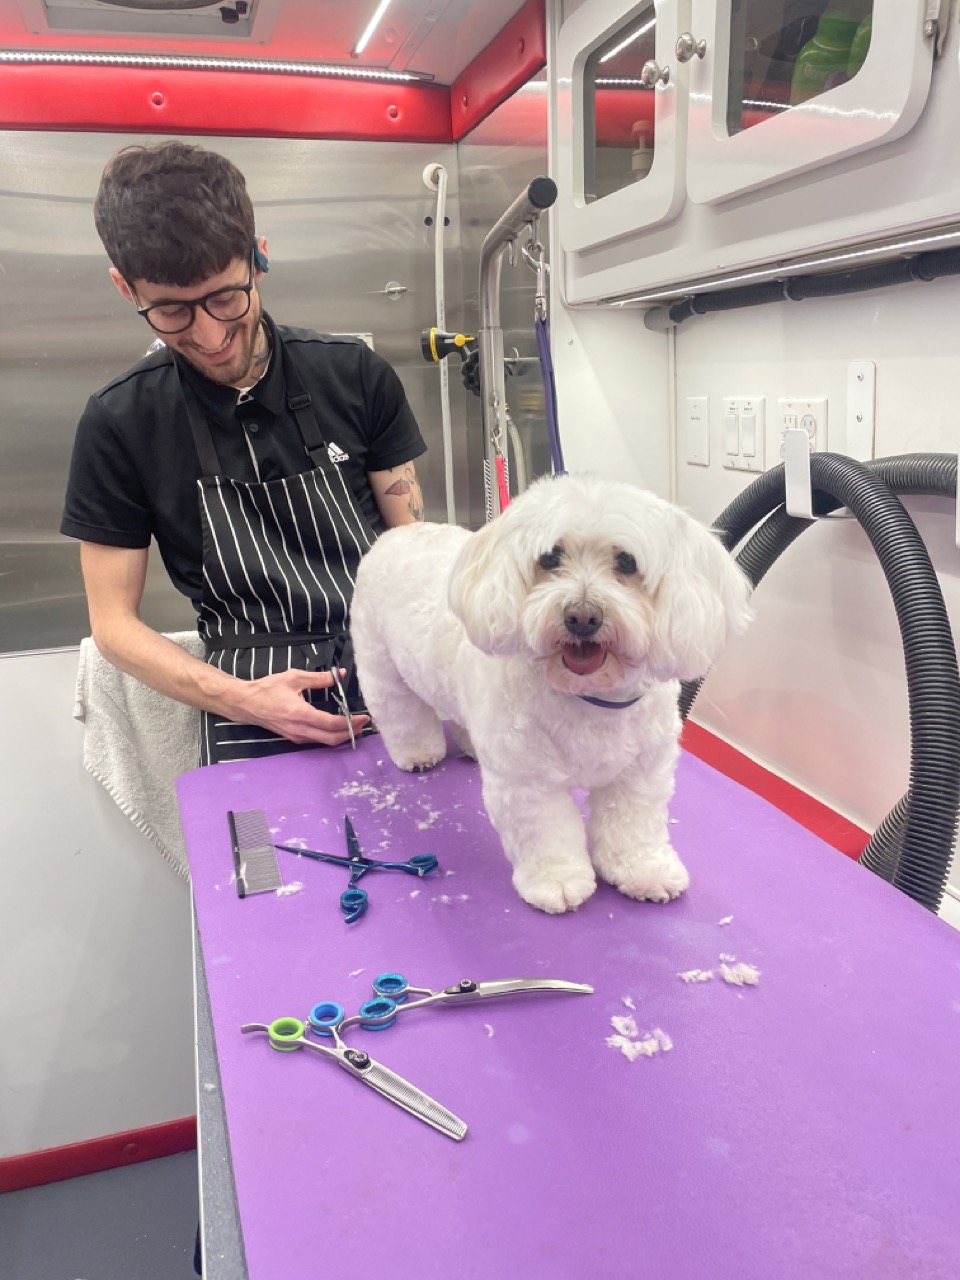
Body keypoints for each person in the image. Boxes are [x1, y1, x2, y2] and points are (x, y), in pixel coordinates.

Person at [61, 141, 427, 765]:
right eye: (172, 312)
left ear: (259, 256)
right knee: (264, 865)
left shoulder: (355, 375)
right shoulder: (119, 421)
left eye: (225, 298)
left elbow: (416, 552)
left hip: (396, 676)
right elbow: (113, 626)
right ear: (126, 288)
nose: (209, 336)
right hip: (246, 702)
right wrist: (239, 699)